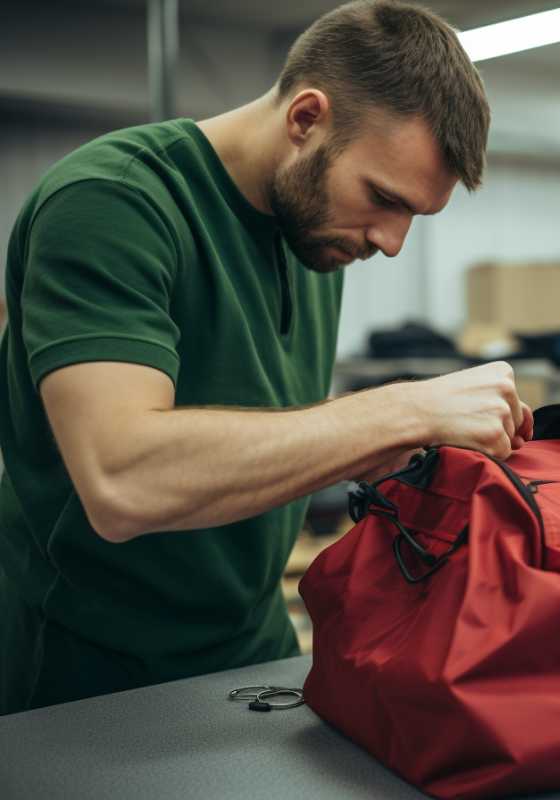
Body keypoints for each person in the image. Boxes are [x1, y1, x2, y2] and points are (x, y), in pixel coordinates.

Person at [0, 0, 530, 714]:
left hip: (254, 647)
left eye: (413, 216)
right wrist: (399, 408)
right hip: (88, 671)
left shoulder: (314, 235)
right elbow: (123, 480)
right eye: (382, 198)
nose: (392, 242)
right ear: (306, 118)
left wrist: (402, 450)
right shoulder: (113, 202)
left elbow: (270, 438)